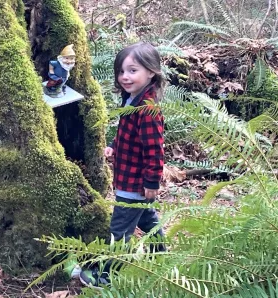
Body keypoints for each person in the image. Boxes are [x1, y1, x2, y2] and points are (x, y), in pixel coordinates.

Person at [79, 42, 166, 289]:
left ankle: (107, 277)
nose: (125, 77)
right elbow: (129, 136)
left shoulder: (148, 109)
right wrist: (114, 148)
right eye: (121, 71)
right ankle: (160, 256)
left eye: (132, 70)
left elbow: (154, 149)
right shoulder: (132, 100)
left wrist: (152, 181)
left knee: (119, 231)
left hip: (134, 183)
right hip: (129, 179)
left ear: (151, 72)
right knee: (147, 220)